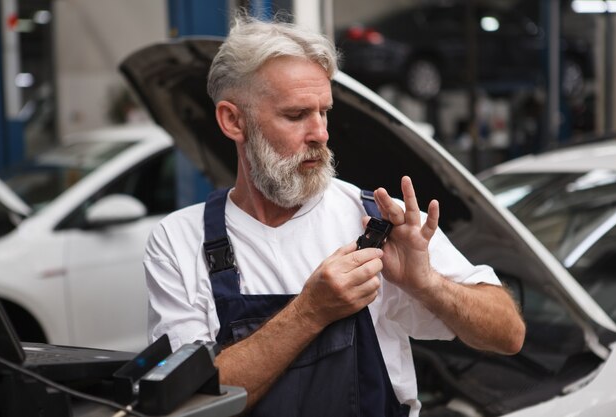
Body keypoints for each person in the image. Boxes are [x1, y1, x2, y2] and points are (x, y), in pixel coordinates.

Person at [144, 13, 526, 417]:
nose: (321, 133)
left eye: (323, 112)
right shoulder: (179, 242)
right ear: (232, 120)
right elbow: (186, 401)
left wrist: (426, 283)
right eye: (296, 115)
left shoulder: (373, 220)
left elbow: (509, 333)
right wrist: (311, 310)